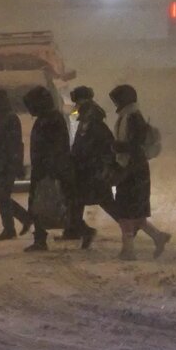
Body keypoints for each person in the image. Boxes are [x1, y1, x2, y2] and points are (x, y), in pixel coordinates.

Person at [108, 84, 172, 260]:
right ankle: (157, 237)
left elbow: (135, 145)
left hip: (132, 170)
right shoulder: (130, 116)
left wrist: (117, 147)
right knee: (133, 213)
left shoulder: (132, 118)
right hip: (133, 169)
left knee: (126, 213)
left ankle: (129, 250)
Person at [22, 85, 72, 252]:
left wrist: (50, 170)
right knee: (41, 204)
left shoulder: (51, 120)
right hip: (43, 168)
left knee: (43, 205)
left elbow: (56, 147)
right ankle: (42, 237)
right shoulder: (48, 118)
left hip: (47, 169)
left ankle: (41, 239)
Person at [66, 86, 116, 250]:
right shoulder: (89, 116)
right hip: (87, 168)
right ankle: (75, 230)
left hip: (90, 170)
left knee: (101, 201)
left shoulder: (91, 120)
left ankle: (130, 225)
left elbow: (96, 145)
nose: (76, 107)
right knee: (78, 201)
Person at [0, 90, 33, 241]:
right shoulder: (0, 119)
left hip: (6, 165)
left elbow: (14, 145)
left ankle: (11, 227)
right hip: (0, 164)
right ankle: (21, 220)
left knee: (1, 195)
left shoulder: (9, 119)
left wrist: (15, 164)